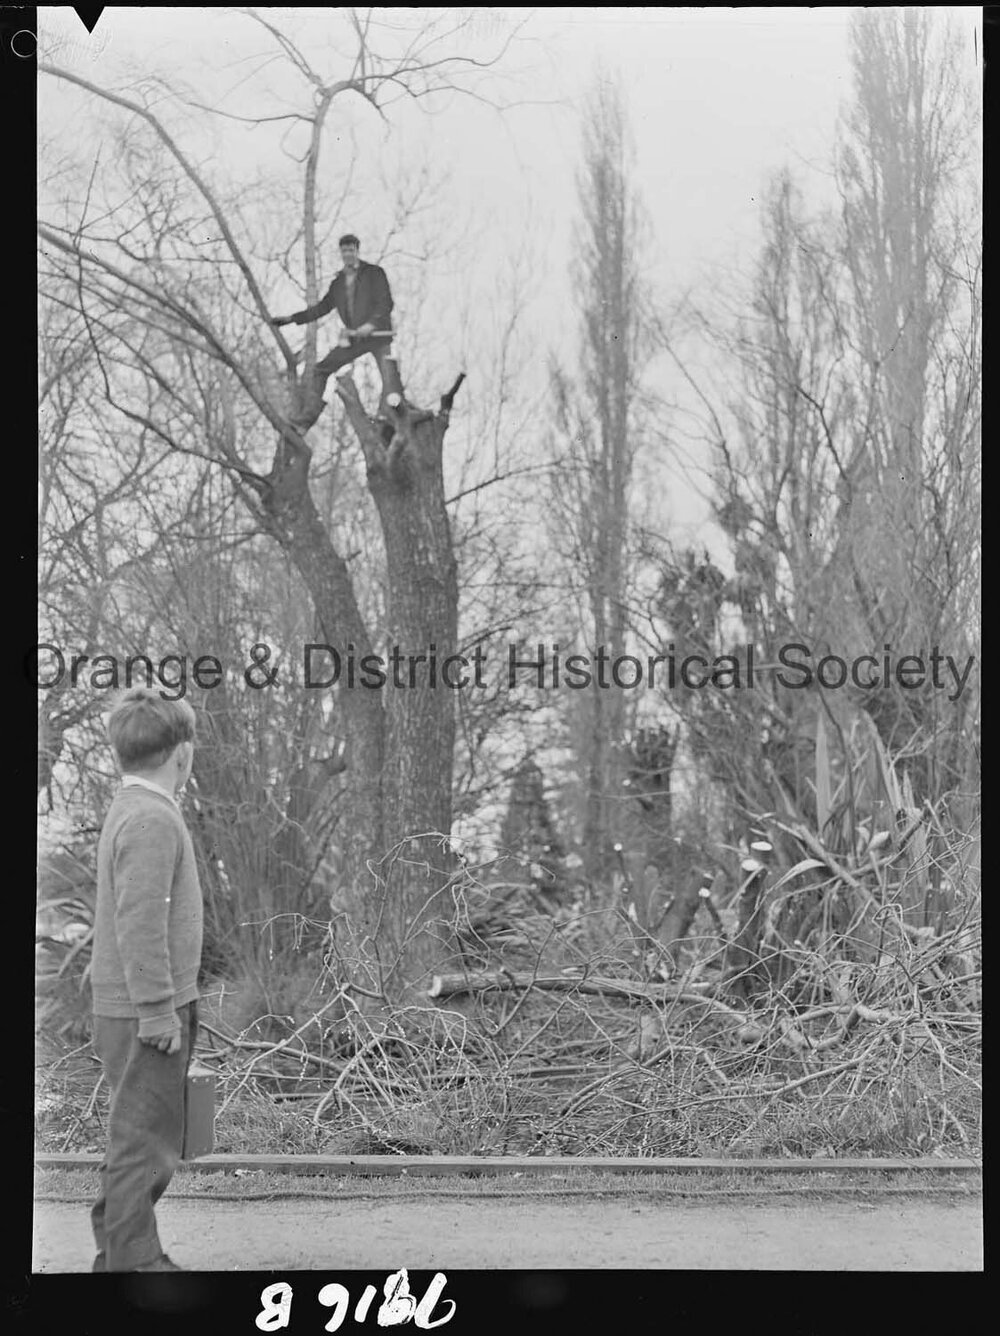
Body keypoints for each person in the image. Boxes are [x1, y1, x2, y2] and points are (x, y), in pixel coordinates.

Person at [89, 688, 203, 1272]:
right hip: (144, 1012)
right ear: (181, 755)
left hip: (133, 1005)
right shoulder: (152, 817)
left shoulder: (131, 808)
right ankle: (132, 1265)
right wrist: (159, 1009)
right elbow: (139, 921)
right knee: (145, 1141)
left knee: (138, 1132)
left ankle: (117, 1250)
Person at [270, 233, 405, 417]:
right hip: (355, 337)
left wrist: (371, 325)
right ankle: (308, 418)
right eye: (344, 251)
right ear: (341, 253)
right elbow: (322, 308)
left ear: (357, 251)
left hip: (378, 337)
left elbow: (385, 302)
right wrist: (292, 319)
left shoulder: (374, 273)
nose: (348, 254)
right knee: (322, 369)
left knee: (390, 381)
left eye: (351, 250)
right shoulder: (339, 283)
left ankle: (395, 418)